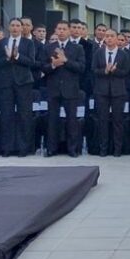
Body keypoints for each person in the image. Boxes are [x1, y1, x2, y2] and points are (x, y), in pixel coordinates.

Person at [0, 18, 39, 156]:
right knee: (6, 116)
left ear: (22, 28)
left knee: (24, 116)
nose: (15, 28)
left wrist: (17, 56)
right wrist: (7, 58)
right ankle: (6, 148)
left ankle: (23, 148)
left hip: (24, 83)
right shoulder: (1, 43)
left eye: (18, 26)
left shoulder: (29, 43)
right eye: (12, 25)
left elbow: (31, 62)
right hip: (5, 84)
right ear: (8, 28)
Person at [40, 20, 85, 157]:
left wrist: (66, 61)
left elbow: (81, 68)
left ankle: (72, 149)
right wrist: (53, 65)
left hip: (71, 89)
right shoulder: (48, 47)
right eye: (59, 29)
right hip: (53, 89)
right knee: (52, 120)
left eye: (64, 29)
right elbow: (42, 67)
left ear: (69, 31)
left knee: (72, 121)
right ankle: (51, 148)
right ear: (55, 30)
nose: (61, 31)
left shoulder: (77, 48)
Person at [92, 28, 130, 156]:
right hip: (102, 91)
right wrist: (104, 71)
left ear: (117, 38)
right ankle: (103, 149)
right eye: (107, 36)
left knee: (118, 121)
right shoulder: (98, 52)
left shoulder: (124, 54)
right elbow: (93, 69)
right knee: (102, 121)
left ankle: (118, 149)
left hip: (118, 91)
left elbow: (127, 71)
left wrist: (115, 70)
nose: (109, 38)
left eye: (111, 36)